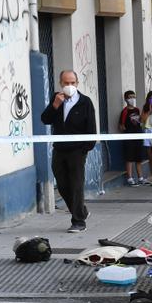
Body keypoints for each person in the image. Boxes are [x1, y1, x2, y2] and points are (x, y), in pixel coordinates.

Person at [39, 69, 96, 233]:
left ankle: (78, 221)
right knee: (63, 184)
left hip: (78, 150)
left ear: (77, 83)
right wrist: (55, 105)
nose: (69, 86)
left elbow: (91, 127)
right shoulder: (57, 99)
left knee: (76, 184)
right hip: (59, 149)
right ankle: (82, 211)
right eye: (66, 83)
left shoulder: (85, 102)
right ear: (60, 83)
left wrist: (86, 148)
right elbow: (45, 119)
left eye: (72, 83)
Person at [119, 90, 147, 186]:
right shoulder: (124, 111)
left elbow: (141, 121)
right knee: (129, 158)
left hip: (138, 136)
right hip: (129, 138)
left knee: (138, 158)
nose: (132, 99)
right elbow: (121, 126)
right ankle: (130, 178)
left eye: (134, 97)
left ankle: (140, 177)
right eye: (130, 97)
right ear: (126, 99)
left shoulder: (137, 110)